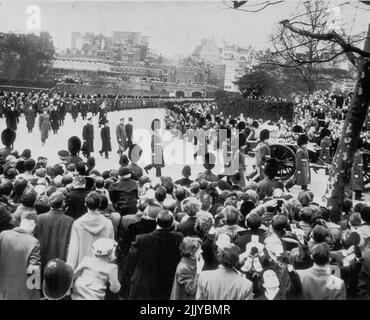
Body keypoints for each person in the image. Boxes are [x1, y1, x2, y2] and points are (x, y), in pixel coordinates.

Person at [124, 210, 183, 300]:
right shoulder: (178, 237)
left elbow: (131, 260)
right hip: (167, 283)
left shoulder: (141, 239)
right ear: (172, 223)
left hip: (145, 284)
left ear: (156, 220)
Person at [66, 191, 114, 270]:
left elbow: (73, 252)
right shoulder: (108, 223)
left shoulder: (78, 224)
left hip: (83, 269)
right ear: (99, 204)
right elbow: (111, 249)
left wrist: (71, 271)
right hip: (102, 269)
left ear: (85, 204)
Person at [0, 211, 41, 300]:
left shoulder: (3, 235)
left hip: (3, 290)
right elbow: (34, 272)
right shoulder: (33, 242)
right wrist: (35, 294)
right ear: (32, 224)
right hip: (23, 293)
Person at [35, 192, 74, 272]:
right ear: (63, 204)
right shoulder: (70, 221)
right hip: (60, 265)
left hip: (40, 262)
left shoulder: (38, 218)